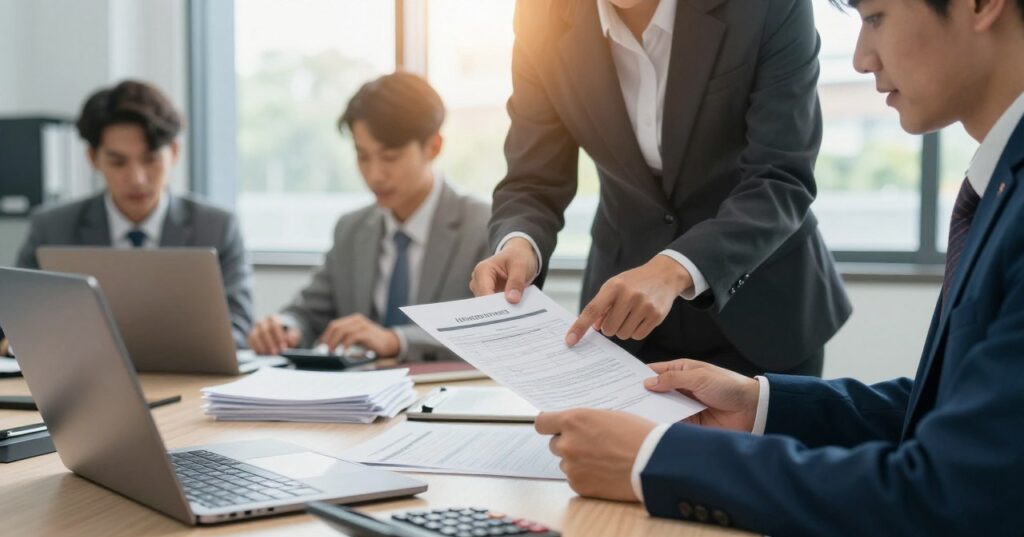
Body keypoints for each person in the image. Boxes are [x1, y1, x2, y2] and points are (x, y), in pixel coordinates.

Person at [535, 0, 1024, 537]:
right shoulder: (1002, 185)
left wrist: (655, 460)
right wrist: (761, 406)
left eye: (876, 17)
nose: (861, 58)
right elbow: (954, 414)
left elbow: (945, 501)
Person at [469, 0, 851, 376]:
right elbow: (533, 177)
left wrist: (673, 269)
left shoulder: (768, 6)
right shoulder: (542, 13)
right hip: (622, 323)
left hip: (763, 309)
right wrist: (520, 243)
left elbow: (780, 176)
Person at [248, 72, 490, 362]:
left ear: (433, 147)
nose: (374, 175)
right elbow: (309, 313)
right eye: (363, 156)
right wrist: (284, 327)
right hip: (363, 388)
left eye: (390, 157)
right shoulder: (351, 229)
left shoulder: (483, 225)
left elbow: (493, 329)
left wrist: (397, 340)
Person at [6, 80, 253, 348]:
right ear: (93, 158)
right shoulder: (52, 227)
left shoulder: (217, 228)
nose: (136, 179)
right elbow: (15, 314)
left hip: (191, 371)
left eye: (150, 159)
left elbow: (238, 325)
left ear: (174, 153)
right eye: (118, 162)